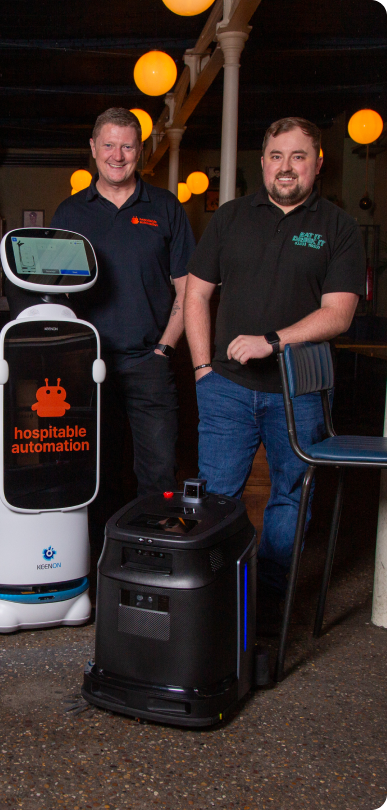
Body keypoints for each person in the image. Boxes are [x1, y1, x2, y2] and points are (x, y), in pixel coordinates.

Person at [184, 117, 365, 627]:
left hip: (299, 392)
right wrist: (202, 368)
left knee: (292, 495)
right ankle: (216, 600)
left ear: (317, 163)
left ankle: (268, 605)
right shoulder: (231, 217)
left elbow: (340, 313)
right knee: (216, 497)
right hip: (227, 389)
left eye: (299, 156)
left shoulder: (338, 227)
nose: (287, 167)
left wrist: (273, 341)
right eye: (277, 156)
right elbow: (196, 293)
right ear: (262, 162)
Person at [50, 107, 195, 557]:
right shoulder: (71, 212)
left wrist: (165, 348)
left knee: (157, 471)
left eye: (127, 146)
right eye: (108, 145)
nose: (117, 155)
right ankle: (101, 563)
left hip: (148, 362)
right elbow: (55, 291)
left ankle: (153, 562)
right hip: (88, 365)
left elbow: (188, 289)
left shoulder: (165, 208)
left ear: (141, 153)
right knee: (95, 468)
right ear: (93, 149)